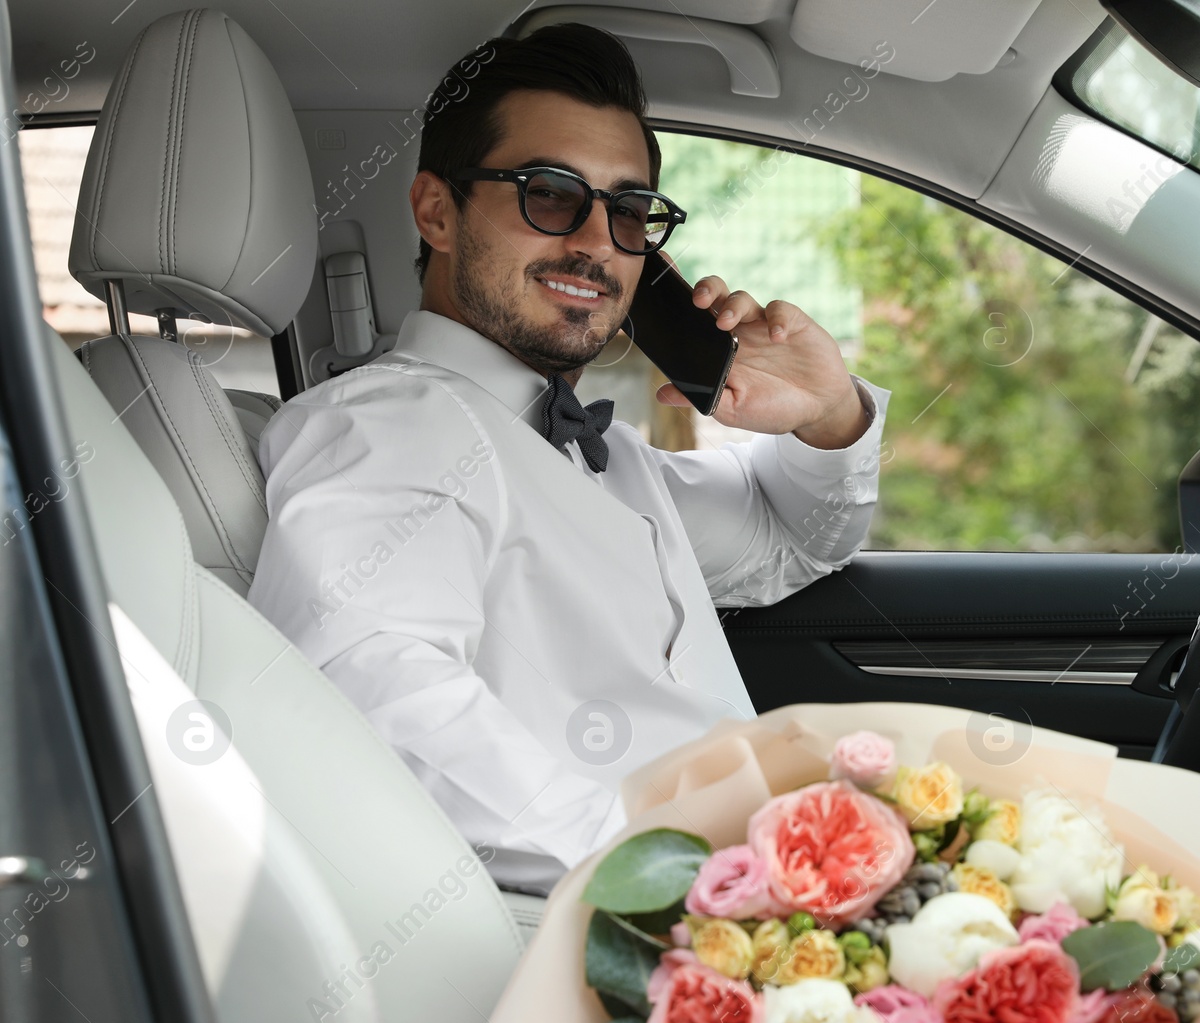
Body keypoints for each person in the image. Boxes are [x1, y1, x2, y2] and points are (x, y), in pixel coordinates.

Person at [247, 24, 889, 898]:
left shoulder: (603, 451)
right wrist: (692, 876)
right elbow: (376, 701)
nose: (596, 242)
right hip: (637, 932)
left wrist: (828, 412)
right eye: (550, 194)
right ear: (437, 210)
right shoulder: (394, 424)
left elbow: (795, 541)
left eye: (628, 212)